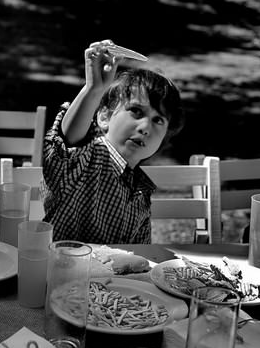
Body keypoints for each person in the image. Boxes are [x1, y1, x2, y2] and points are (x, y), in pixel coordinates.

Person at [41, 40, 185, 243]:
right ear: (104, 117)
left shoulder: (142, 191)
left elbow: (139, 256)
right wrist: (93, 89)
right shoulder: (89, 159)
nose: (145, 128)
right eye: (136, 111)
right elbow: (67, 143)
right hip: (64, 272)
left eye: (157, 120)